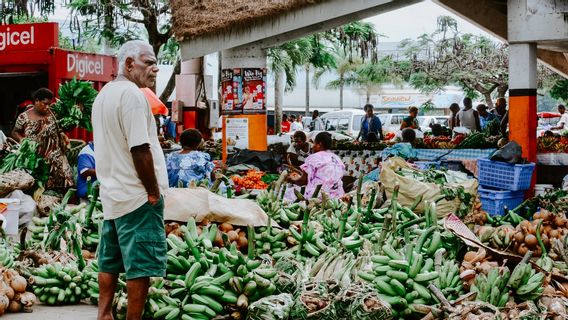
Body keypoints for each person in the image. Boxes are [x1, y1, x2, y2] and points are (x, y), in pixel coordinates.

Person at [92, 40, 169, 320]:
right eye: (148, 62)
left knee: (110, 260)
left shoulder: (103, 95)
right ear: (128, 64)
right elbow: (140, 148)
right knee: (141, 265)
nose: (155, 68)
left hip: (113, 194)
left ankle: (104, 314)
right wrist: (153, 191)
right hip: (137, 196)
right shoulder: (134, 96)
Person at [12, 88, 74, 190]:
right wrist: (22, 140)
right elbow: (15, 132)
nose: (47, 107)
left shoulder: (54, 114)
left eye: (49, 104)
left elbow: (66, 127)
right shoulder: (24, 117)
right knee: (40, 188)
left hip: (57, 158)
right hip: (37, 160)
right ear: (36, 101)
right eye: (45, 103)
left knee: (66, 184)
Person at [287, 132, 344, 199]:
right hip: (338, 195)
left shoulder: (314, 158)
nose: (312, 146)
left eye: (314, 143)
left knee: (287, 193)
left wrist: (292, 180)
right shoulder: (337, 158)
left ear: (319, 144)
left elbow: (303, 181)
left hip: (319, 196)